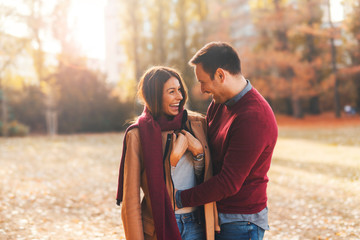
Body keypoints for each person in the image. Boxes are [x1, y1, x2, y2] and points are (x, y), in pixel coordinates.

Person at [175, 42, 278, 240]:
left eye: (203, 81)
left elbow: (228, 183)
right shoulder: (220, 104)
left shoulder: (253, 117)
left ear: (221, 75)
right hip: (216, 212)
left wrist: (178, 198)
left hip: (241, 222)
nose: (202, 89)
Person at [116, 66, 218, 240]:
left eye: (179, 90)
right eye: (171, 92)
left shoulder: (197, 124)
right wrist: (172, 160)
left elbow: (208, 177)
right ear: (154, 96)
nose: (179, 97)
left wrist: (199, 154)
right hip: (158, 227)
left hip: (197, 224)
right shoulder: (137, 135)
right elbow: (131, 200)